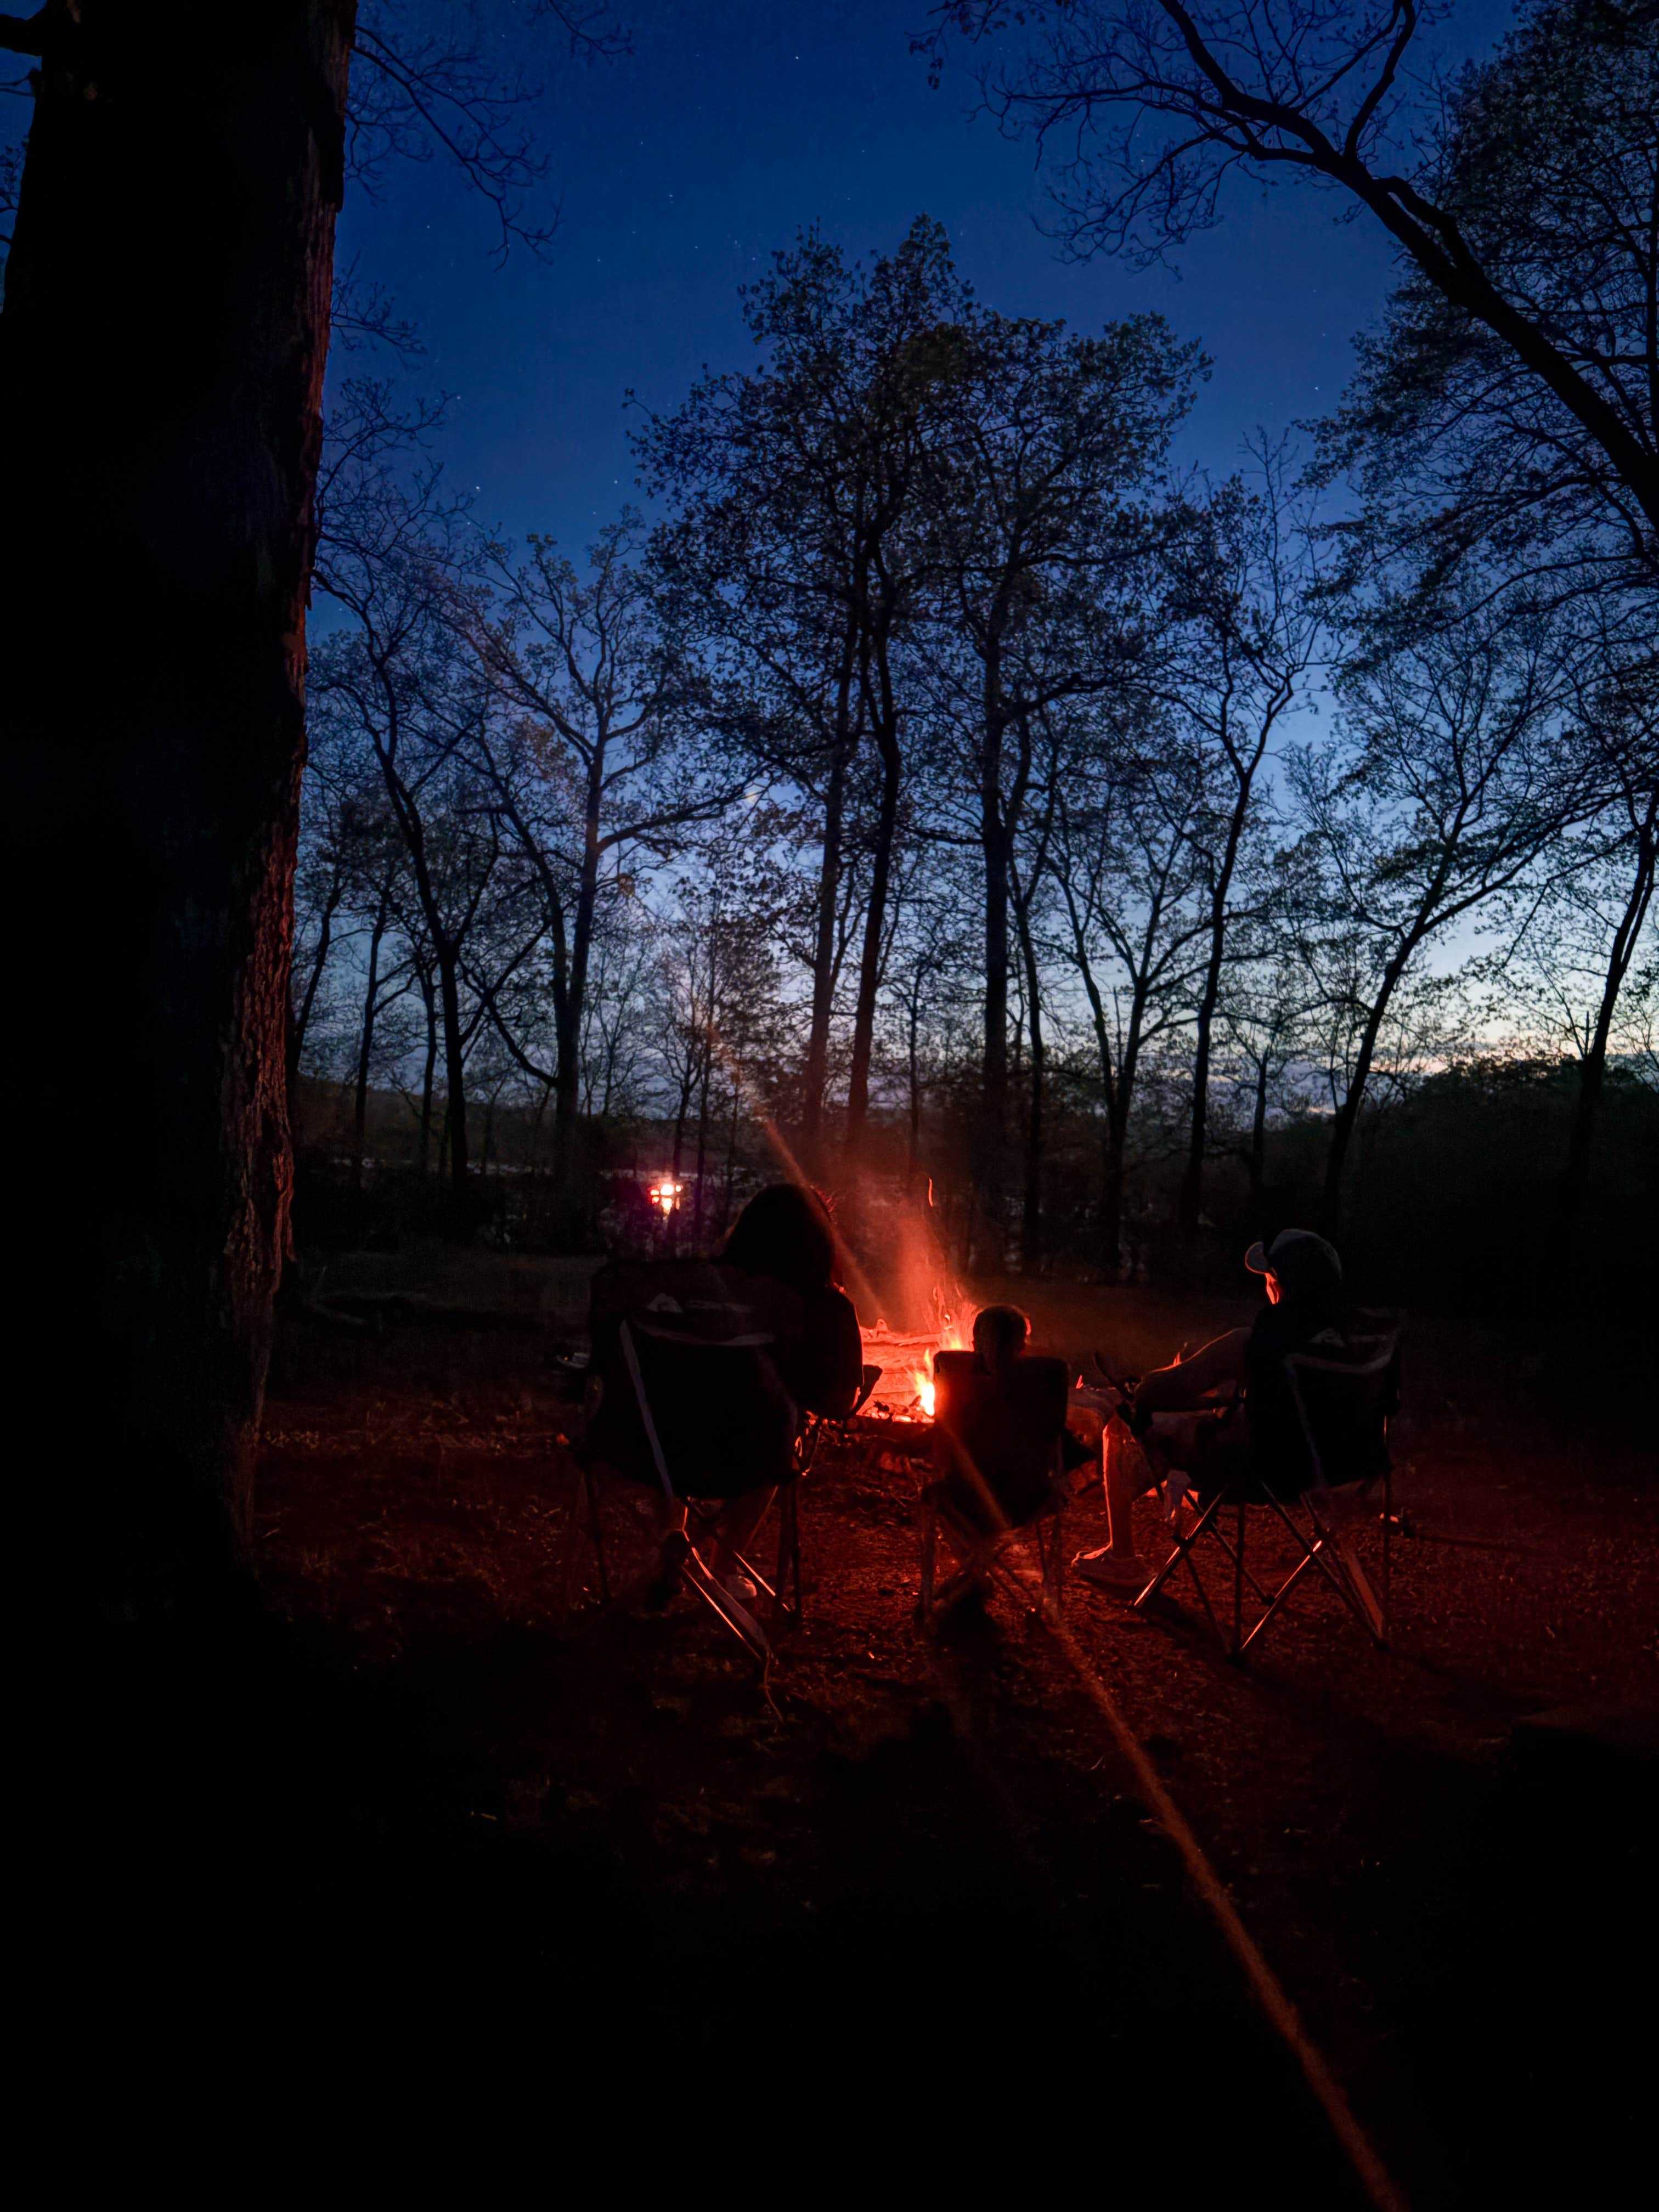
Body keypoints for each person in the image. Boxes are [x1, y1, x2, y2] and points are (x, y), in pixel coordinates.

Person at [1074, 1228, 1355, 1593]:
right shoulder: (1355, 1348)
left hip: (1256, 1471)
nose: (1266, 1287)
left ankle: (1122, 1558)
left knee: (1121, 1425)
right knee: (1204, 1423)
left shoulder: (1252, 1344)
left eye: (1269, 1278)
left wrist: (1165, 1377)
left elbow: (1153, 1392)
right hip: (1334, 1468)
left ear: (1281, 1288)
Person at [652, 1182, 863, 1606]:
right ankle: (724, 1568)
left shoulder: (696, 1289)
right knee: (778, 1432)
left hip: (661, 1448)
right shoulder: (825, 1308)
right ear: (820, 1242)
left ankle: (670, 1551)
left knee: (681, 1411)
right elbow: (838, 1402)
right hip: (750, 1458)